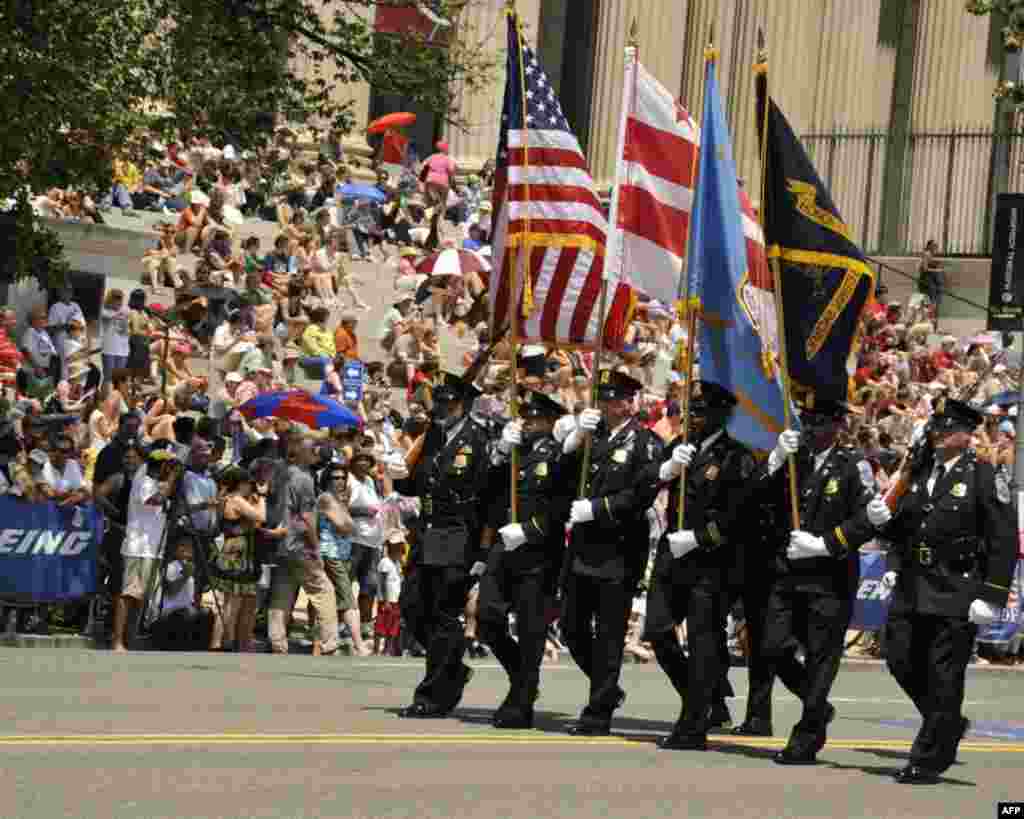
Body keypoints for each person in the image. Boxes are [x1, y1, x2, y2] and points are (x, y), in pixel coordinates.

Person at [871, 398, 1017, 784]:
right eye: (936, 428)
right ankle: (948, 722)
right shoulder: (918, 472)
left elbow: (1002, 538)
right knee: (899, 658)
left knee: (944, 675)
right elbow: (903, 529)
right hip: (913, 585)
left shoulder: (984, 476)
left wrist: (993, 595)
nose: (937, 435)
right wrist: (883, 524)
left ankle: (928, 758)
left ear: (966, 436)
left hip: (956, 587)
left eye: (946, 430)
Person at [744, 397, 876, 764]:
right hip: (788, 575)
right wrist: (772, 463)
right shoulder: (793, 461)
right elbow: (753, 498)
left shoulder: (853, 466)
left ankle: (806, 736)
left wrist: (825, 544)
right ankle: (818, 707)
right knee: (771, 647)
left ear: (838, 427)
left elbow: (869, 519)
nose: (813, 430)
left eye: (821, 423)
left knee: (821, 660)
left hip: (828, 580)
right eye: (808, 423)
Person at [641, 381, 755, 750]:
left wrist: (699, 538)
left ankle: (692, 725)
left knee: (704, 643)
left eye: (703, 412)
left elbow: (738, 517)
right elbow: (645, 483)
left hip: (710, 562)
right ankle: (703, 699)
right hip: (672, 558)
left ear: (722, 415)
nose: (694, 419)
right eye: (692, 412)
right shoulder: (681, 448)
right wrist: (666, 470)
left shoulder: (735, 456)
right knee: (658, 630)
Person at [558, 370, 662, 735]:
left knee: (608, 634)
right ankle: (608, 688)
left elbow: (640, 494)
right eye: (602, 398)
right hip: (583, 547)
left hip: (618, 550)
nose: (605, 405)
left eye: (612, 399)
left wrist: (597, 509)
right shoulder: (594, 436)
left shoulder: (645, 442)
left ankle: (598, 709)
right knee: (571, 627)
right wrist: (574, 439)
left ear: (629, 402)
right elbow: (563, 474)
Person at [393, 371, 494, 718]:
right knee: (411, 607)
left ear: (462, 406)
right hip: (427, 534)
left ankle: (433, 695)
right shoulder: (433, 438)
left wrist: (483, 551)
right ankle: (452, 668)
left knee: (443, 616)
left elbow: (490, 501)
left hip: (458, 535)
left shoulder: (479, 440)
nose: (440, 410)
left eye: (447, 404)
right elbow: (415, 486)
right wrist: (397, 476)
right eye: (437, 404)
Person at [477, 389, 574, 729]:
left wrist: (529, 531)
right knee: (487, 617)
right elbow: (487, 492)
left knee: (532, 630)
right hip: (505, 547)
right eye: (525, 417)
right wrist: (500, 454)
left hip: (538, 551)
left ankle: (521, 701)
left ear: (550, 422)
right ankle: (524, 678)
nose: (527, 422)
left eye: (534, 418)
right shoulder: (515, 453)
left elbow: (562, 507)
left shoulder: (560, 454)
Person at [267, 437, 340, 655]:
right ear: (305, 453)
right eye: (313, 451)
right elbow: (308, 517)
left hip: (282, 543)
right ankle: (329, 642)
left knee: (282, 593)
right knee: (323, 588)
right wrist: (316, 548)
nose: (317, 455)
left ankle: (277, 641)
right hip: (300, 543)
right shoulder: (304, 479)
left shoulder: (280, 474)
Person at [111, 445, 181, 652]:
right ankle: (117, 640)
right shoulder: (145, 481)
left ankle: (131, 638)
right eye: (168, 467)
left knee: (141, 597)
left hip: (153, 548)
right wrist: (171, 480)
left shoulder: (157, 482)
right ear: (161, 467)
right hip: (138, 547)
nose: (171, 471)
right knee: (129, 594)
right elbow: (155, 500)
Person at [317, 457, 373, 657]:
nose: (339, 481)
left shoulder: (339, 500)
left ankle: (326, 642)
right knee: (348, 599)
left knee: (334, 598)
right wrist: (347, 522)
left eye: (342, 477)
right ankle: (359, 645)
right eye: (335, 477)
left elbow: (349, 526)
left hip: (341, 553)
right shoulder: (326, 498)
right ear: (327, 479)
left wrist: (347, 521)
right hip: (330, 552)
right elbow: (345, 526)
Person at [209, 465, 265, 652]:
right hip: (239, 554)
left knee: (226, 602)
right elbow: (260, 517)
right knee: (233, 602)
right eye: (248, 483)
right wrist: (262, 498)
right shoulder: (237, 500)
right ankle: (226, 641)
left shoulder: (225, 499)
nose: (251, 486)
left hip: (229, 548)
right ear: (240, 483)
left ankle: (218, 641)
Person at [375, 534, 405, 656]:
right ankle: (376, 649)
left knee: (393, 626)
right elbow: (382, 583)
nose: (400, 549)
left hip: (396, 600)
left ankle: (387, 649)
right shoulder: (385, 562)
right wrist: (385, 600)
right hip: (387, 600)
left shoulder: (397, 563)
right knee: (381, 625)